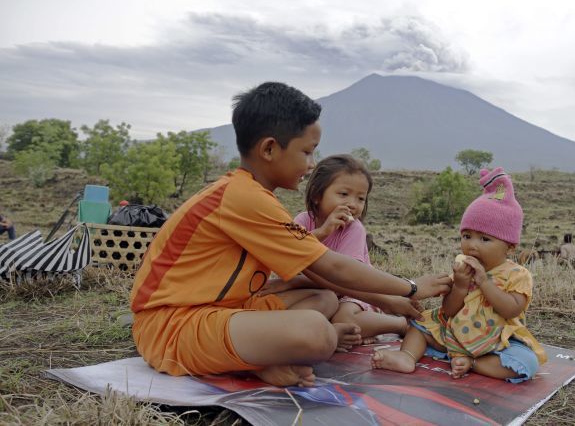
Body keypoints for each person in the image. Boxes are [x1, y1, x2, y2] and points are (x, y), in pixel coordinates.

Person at [129, 82, 451, 388]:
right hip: (171, 327)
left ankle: (260, 356)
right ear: (270, 148)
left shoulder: (251, 195)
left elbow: (316, 275)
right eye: (307, 152)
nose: (311, 165)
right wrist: (410, 288)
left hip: (223, 311)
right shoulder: (243, 198)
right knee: (318, 334)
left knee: (322, 299)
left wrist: (386, 300)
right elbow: (332, 267)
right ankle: (257, 360)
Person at [372, 168, 547, 382]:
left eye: (484, 239)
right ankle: (406, 356)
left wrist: (484, 282)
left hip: (496, 341)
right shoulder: (463, 271)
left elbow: (511, 309)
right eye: (467, 236)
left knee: (526, 363)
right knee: (420, 327)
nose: (472, 246)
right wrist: (461, 285)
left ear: (509, 247)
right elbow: (449, 310)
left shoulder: (518, 275)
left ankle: (473, 363)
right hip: (453, 332)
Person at [258, 155, 409, 345]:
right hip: (319, 291)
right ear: (317, 195)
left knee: (344, 320)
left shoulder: (354, 229)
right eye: (344, 194)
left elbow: (345, 278)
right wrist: (322, 231)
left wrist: (291, 283)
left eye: (361, 198)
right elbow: (289, 255)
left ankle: (400, 324)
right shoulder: (303, 221)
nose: (353, 204)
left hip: (352, 293)